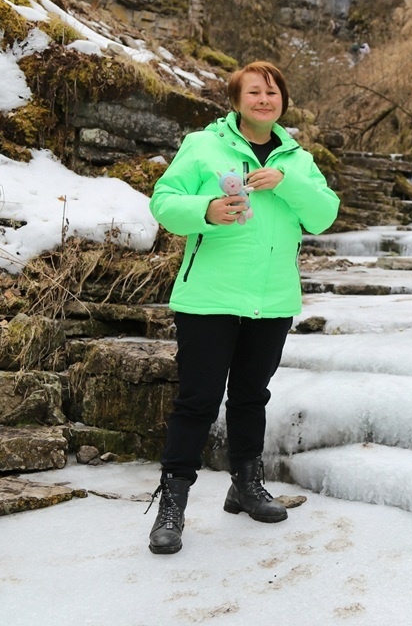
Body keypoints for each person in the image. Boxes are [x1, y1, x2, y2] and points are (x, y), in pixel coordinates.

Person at [145, 61, 340, 555]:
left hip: (272, 299)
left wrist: (287, 182)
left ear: (283, 102)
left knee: (252, 396)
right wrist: (205, 212)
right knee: (198, 400)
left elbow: (323, 216)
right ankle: (172, 506)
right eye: (254, 91)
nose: (264, 99)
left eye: (273, 92)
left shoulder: (298, 159)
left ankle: (245, 486)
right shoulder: (203, 146)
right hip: (210, 296)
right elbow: (164, 201)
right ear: (236, 100)